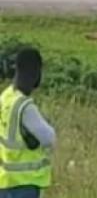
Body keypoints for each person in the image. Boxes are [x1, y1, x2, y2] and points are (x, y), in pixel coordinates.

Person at [0, 47, 56, 198]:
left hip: (5, 181)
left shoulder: (6, 97)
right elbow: (49, 138)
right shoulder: (25, 107)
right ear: (36, 72)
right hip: (24, 185)